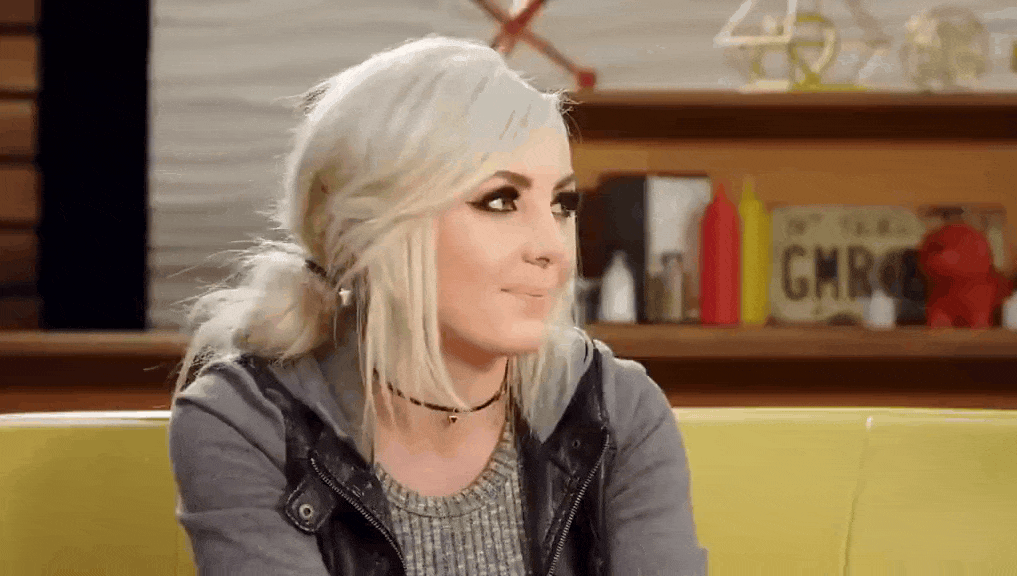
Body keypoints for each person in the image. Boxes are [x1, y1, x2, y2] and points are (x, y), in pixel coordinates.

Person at [167, 33, 707, 576]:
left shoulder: (615, 410)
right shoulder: (248, 422)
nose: (553, 248)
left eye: (562, 204)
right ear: (370, 229)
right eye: (501, 200)